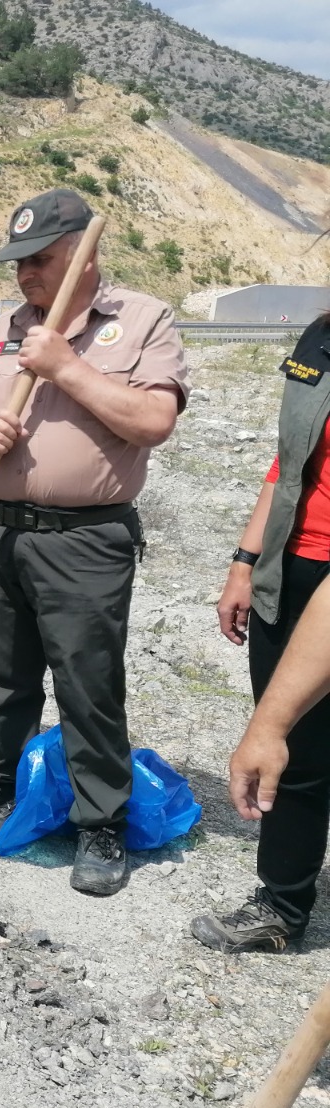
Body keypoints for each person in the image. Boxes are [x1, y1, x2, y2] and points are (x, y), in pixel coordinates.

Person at [0, 188, 186, 896]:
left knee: (87, 683)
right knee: (2, 678)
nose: (26, 275)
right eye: (18, 263)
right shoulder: (4, 328)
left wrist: (66, 367)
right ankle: (7, 792)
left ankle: (100, 820)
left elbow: (154, 420)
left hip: (85, 539)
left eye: (40, 260)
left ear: (83, 252)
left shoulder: (140, 320)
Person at [194, 309, 330, 950]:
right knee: (295, 755)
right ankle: (282, 904)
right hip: (291, 567)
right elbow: (287, 462)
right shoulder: (320, 337)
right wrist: (245, 563)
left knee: (282, 731)